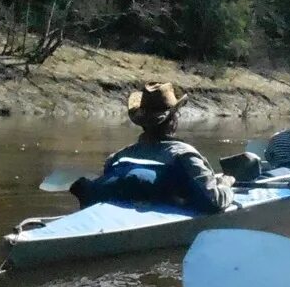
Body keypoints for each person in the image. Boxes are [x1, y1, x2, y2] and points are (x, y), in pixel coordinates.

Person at [70, 83, 234, 213]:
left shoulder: (117, 158)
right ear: (173, 121)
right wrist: (225, 184)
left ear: (142, 123)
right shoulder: (184, 155)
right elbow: (214, 202)